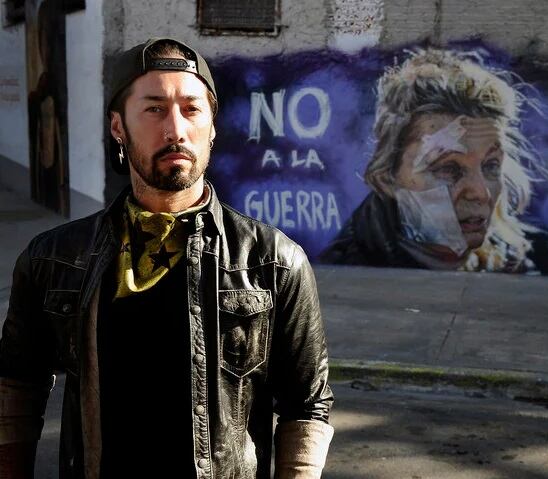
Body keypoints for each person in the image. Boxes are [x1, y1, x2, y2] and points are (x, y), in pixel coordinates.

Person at [0, 38, 333, 479]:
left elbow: (307, 407)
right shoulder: (53, 259)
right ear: (118, 127)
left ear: (212, 127)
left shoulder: (274, 262)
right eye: (154, 109)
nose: (175, 129)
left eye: (191, 109)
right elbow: (16, 388)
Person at [319, 49, 538, 272]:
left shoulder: (513, 266)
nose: (481, 193)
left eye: (491, 165)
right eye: (448, 168)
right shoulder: (346, 276)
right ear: (387, 179)